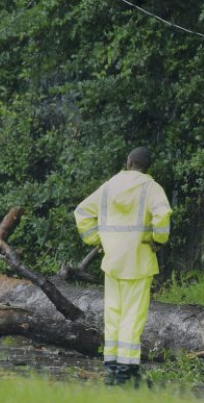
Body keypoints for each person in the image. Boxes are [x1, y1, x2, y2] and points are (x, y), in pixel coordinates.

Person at [74, 147, 172, 385]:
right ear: (148, 166)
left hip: (113, 261)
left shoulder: (109, 186)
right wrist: (158, 239)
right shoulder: (151, 188)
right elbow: (163, 214)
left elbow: (82, 212)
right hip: (139, 261)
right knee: (133, 316)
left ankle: (112, 368)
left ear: (128, 162)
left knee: (113, 314)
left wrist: (97, 239)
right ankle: (127, 372)